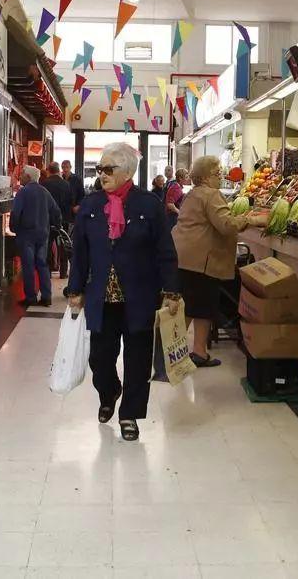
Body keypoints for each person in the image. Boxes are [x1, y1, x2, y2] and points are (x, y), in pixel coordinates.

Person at [67, 142, 181, 442]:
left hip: (139, 295)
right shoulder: (90, 206)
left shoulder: (148, 205)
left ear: (128, 171)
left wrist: (171, 290)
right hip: (101, 298)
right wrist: (75, 288)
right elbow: (79, 252)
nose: (101, 174)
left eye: (108, 169)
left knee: (138, 360)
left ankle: (129, 413)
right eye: (99, 169)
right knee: (101, 359)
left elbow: (165, 251)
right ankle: (109, 390)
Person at [172, 155, 267, 367]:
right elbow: (226, 225)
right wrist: (251, 219)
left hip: (187, 257)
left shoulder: (193, 194)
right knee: (196, 306)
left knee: (199, 306)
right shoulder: (211, 194)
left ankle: (198, 352)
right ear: (205, 177)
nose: (220, 177)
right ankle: (173, 356)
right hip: (202, 260)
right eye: (217, 173)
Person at [11, 164, 61, 306]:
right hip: (43, 234)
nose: (20, 177)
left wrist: (14, 228)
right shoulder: (44, 192)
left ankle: (31, 298)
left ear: (28, 176)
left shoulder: (23, 192)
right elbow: (56, 211)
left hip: (26, 234)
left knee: (28, 266)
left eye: (22, 174)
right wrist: (55, 226)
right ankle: (46, 297)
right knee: (42, 265)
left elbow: (15, 213)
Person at [42, 162, 74, 279]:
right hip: (63, 219)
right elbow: (71, 201)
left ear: (49, 171)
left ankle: (49, 271)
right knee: (63, 246)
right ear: (58, 170)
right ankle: (63, 272)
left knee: (48, 246)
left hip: (48, 220)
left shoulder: (44, 184)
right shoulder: (66, 184)